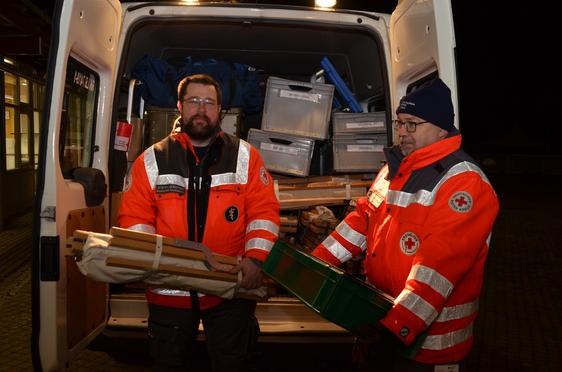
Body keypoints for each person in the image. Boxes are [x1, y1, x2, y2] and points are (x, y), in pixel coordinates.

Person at [312, 78, 499, 371]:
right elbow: (362, 221)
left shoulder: (464, 183)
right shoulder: (395, 168)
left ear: (440, 128)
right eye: (400, 123)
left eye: (413, 124)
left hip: (429, 348)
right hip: (383, 326)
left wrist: (394, 330)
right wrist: (316, 264)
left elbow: (438, 268)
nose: (403, 133)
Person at [118, 74, 280, 372]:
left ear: (220, 110)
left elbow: (264, 213)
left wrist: (256, 260)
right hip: (169, 290)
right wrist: (152, 264)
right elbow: (135, 220)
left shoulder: (246, 157)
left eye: (209, 102)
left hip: (230, 288)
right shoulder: (150, 160)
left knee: (231, 362)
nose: (201, 109)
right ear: (179, 106)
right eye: (194, 101)